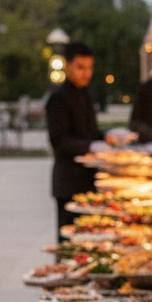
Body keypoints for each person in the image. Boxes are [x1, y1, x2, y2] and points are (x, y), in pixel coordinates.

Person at [45, 41, 106, 237]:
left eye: (89, 68)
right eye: (80, 68)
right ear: (67, 65)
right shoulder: (58, 98)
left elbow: (90, 132)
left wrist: (107, 136)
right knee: (69, 240)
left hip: (88, 181)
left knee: (88, 236)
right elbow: (59, 141)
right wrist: (92, 145)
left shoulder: (86, 94)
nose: (86, 73)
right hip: (68, 183)